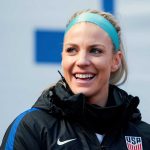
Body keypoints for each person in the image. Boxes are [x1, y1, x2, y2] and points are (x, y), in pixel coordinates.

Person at [1, 9, 150, 150]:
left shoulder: (143, 136)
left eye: (95, 50)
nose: (82, 61)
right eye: (72, 50)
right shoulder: (32, 127)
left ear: (115, 61)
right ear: (62, 57)